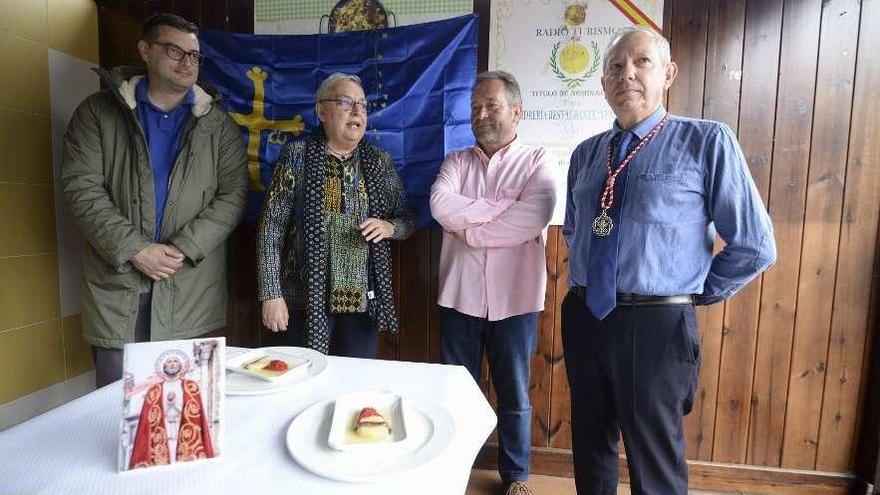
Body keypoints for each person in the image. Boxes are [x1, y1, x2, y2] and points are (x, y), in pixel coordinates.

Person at [562, 26, 776, 494]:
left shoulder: (705, 142)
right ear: (602, 84)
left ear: (668, 74)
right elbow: (575, 231)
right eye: (615, 68)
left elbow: (755, 244)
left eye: (641, 63)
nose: (627, 75)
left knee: (654, 460)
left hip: (656, 325)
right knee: (590, 445)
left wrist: (692, 293)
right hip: (584, 316)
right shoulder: (585, 155)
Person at [60, 13, 248, 388]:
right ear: (145, 50)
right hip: (119, 290)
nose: (187, 62)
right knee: (116, 414)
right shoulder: (97, 114)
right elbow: (81, 188)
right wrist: (135, 248)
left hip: (191, 288)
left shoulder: (219, 126)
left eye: (194, 56)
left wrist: (184, 246)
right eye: (175, 49)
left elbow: (233, 196)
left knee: (187, 414)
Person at [430, 70, 557, 495]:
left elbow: (532, 218)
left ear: (517, 112)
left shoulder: (539, 160)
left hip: (515, 300)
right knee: (454, 389)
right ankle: (450, 470)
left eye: (493, 106)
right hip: (459, 296)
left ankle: (517, 477)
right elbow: (439, 205)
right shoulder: (456, 162)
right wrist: (500, 207)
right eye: (475, 107)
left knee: (514, 394)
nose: (481, 114)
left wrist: (471, 230)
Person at [257, 73, 414, 357]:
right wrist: (271, 293)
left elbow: (407, 219)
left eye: (363, 106)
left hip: (362, 303)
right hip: (302, 300)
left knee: (356, 384)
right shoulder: (296, 155)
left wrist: (390, 227)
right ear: (321, 111)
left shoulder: (379, 162)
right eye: (345, 103)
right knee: (303, 381)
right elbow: (271, 228)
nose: (357, 112)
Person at [128, 350, 215, 469]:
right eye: (169, 362)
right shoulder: (154, 391)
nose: (172, 364)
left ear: (181, 366)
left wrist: (176, 405)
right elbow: (145, 423)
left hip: (186, 433)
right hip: (162, 433)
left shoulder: (191, 386)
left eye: (175, 361)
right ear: (163, 367)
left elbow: (198, 417)